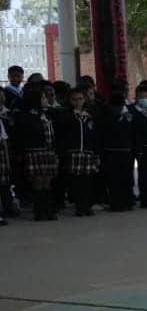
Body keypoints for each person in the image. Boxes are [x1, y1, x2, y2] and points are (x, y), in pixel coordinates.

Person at [15, 82, 58, 220]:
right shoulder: (27, 116)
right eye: (43, 98)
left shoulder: (47, 115)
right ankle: (39, 211)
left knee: (47, 181)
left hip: (48, 152)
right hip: (35, 152)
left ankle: (48, 210)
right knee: (38, 182)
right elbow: (23, 136)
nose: (46, 100)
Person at [54, 87, 99, 217]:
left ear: (84, 99)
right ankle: (80, 206)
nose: (77, 102)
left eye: (80, 99)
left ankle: (87, 206)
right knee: (76, 181)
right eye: (74, 99)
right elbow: (62, 133)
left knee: (88, 180)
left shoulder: (90, 115)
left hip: (88, 152)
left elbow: (95, 135)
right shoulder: (65, 115)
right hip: (73, 152)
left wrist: (96, 152)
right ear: (70, 100)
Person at [99, 81, 136, 213]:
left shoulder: (129, 110)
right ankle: (118, 202)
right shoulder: (105, 110)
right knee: (116, 178)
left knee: (123, 177)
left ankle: (125, 201)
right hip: (112, 150)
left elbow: (134, 131)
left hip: (124, 149)